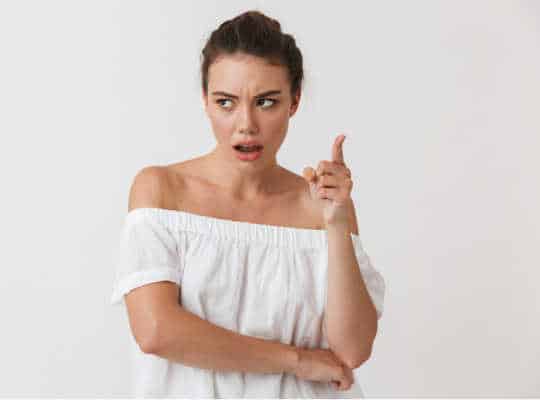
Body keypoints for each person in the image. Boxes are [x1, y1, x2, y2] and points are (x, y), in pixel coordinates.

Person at [110, 9, 385, 398]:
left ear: (294, 101)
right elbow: (157, 331)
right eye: (226, 102)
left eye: (266, 102)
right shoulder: (162, 190)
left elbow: (352, 350)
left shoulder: (320, 207)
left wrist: (337, 222)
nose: (246, 124)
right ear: (205, 100)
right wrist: (296, 360)